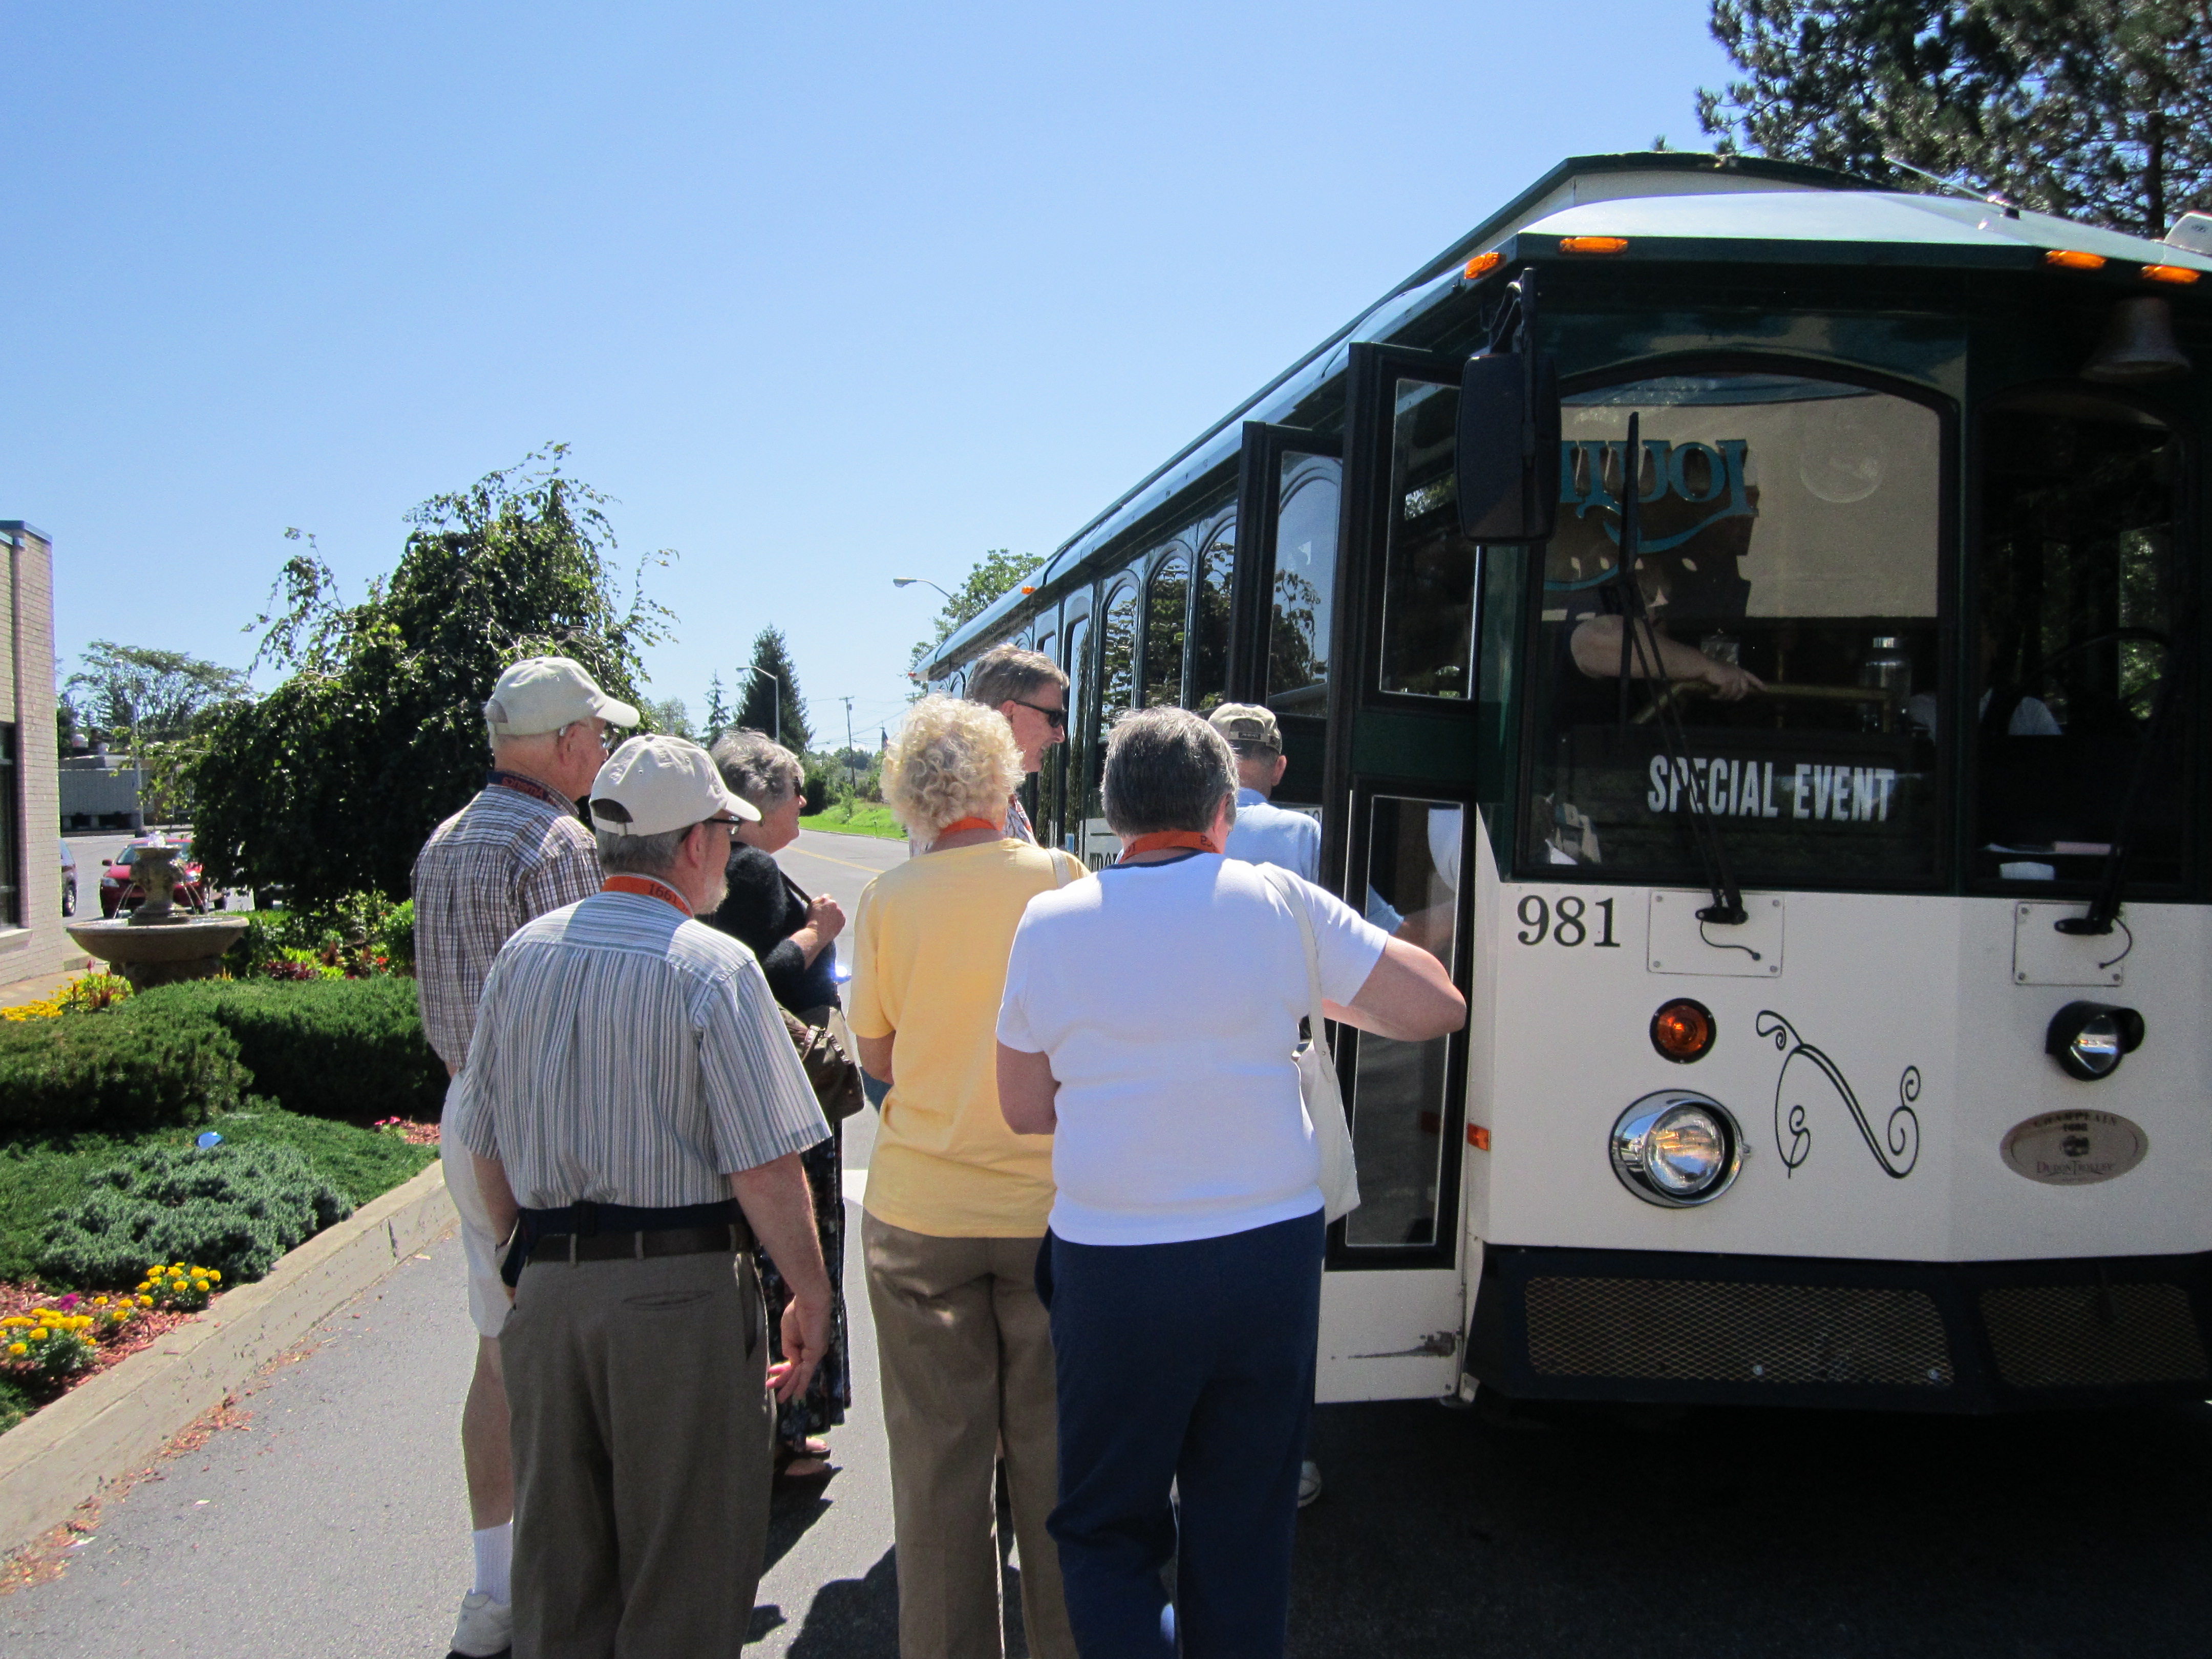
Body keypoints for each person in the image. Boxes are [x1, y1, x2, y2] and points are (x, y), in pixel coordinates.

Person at [995, 707, 1464, 1658]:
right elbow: (1434, 1006)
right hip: (1266, 1257)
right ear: (1223, 812)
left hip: (1115, 1261)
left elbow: (1024, 1106)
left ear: (1113, 815)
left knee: (1103, 1527)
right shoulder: (1279, 900)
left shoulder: (1050, 921)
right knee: (1246, 1525)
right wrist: (1305, 984)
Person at [451, 734, 834, 1659]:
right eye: (723, 832)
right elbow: (766, 1165)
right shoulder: (713, 967)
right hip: (678, 1298)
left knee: (563, 1573)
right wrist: (810, 1295)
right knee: (683, 1573)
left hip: (548, 1295)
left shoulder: (525, 955)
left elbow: (479, 1136)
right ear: (696, 843)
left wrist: (519, 1255)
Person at [847, 694, 1085, 1659]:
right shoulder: (1062, 879)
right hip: (1051, 1212)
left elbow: (877, 1064)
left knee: (939, 1478)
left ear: (909, 794)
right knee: (1061, 1472)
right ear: (1005, 777)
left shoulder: (887, 902)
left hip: (920, 1216)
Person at [413, 654, 635, 1659]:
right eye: (595, 732)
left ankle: (495, 1590)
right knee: (586, 1354)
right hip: (548, 1125)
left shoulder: (445, 841)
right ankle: (575, 1587)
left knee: (500, 1349)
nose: (604, 747)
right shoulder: (556, 842)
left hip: (468, 1109)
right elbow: (581, 1003)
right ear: (558, 744)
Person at [703, 728, 852, 1481]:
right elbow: (758, 976)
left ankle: (770, 1427)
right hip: (786, 1096)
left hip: (744, 1097)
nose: (803, 801)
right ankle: (789, 1425)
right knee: (797, 1257)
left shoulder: (729, 867)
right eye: (794, 789)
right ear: (757, 798)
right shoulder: (754, 869)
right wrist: (818, 933)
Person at [965, 643, 1070, 844]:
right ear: (1009, 712)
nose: (1060, 735)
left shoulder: (984, 793)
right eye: (1054, 718)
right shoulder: (968, 807)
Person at [1209, 703, 1318, 882]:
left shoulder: (1173, 826)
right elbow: (1372, 909)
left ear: (1205, 764)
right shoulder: (1305, 833)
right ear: (1279, 768)